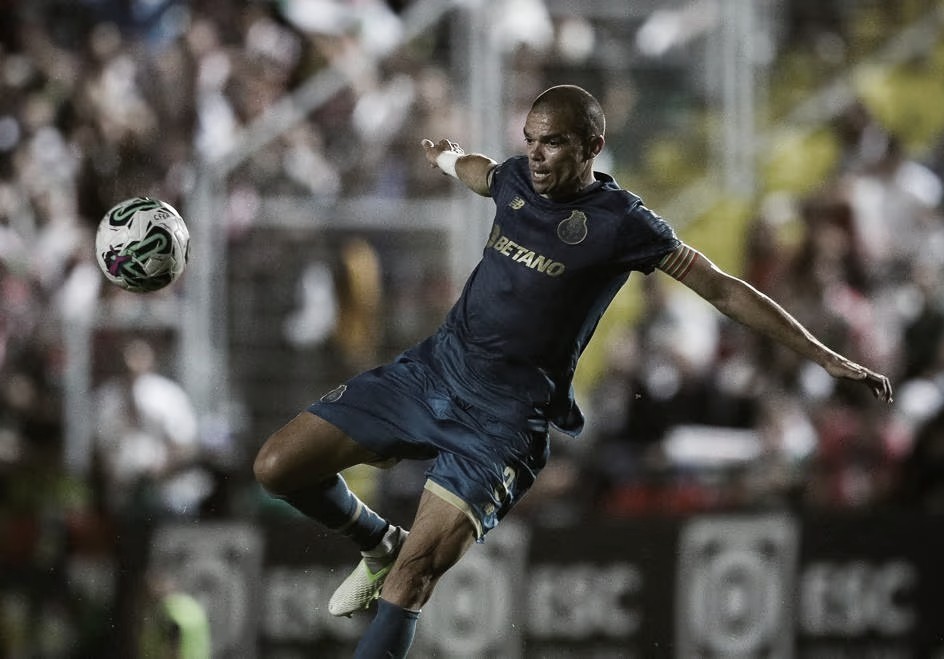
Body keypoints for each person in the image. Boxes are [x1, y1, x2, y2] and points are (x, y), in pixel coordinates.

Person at [253, 84, 893, 657]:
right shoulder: (516, 179)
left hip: (499, 425)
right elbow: (482, 174)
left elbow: (724, 290)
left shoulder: (624, 223)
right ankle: (374, 538)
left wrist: (825, 355)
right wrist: (448, 158)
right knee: (275, 467)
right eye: (530, 140)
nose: (535, 155)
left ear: (593, 145)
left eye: (552, 143)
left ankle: (394, 561)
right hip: (431, 373)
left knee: (412, 578)